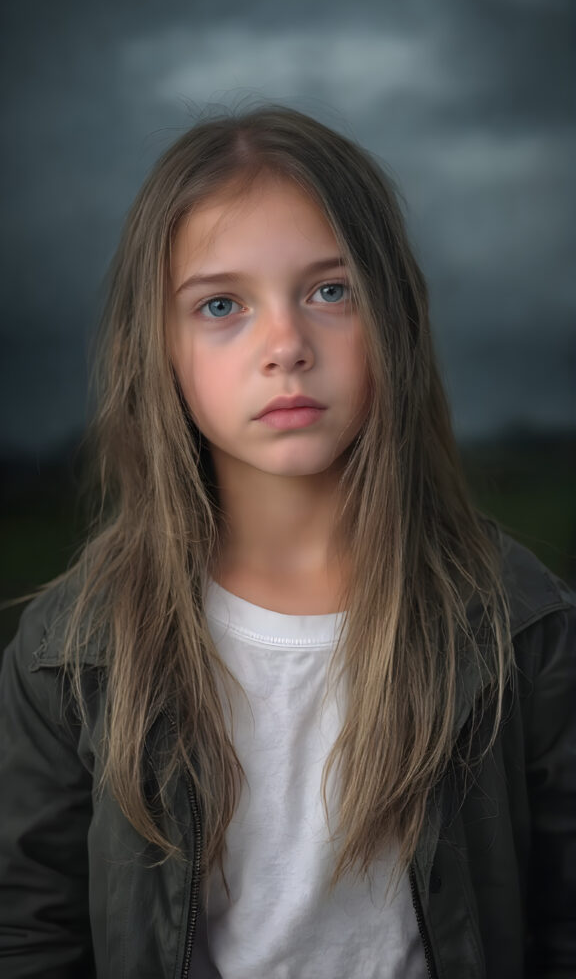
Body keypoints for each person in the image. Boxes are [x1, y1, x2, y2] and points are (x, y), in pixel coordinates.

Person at [0, 105, 574, 979]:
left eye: (329, 291)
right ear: (157, 348)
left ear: (396, 315)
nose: (287, 346)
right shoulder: (69, 654)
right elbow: (29, 936)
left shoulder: (521, 624)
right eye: (221, 305)